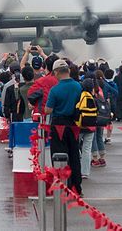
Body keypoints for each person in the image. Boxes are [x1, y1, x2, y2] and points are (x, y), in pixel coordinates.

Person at [44, 59, 83, 196]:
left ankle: (63, 186)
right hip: (74, 124)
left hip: (58, 124)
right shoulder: (78, 86)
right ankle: (77, 187)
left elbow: (48, 110)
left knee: (59, 158)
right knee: (74, 156)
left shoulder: (55, 90)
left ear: (56, 72)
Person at [79, 79, 97, 179]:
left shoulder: (80, 96)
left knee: (76, 147)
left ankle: (77, 167)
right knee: (87, 149)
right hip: (91, 127)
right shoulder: (93, 97)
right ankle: (85, 172)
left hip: (80, 126)